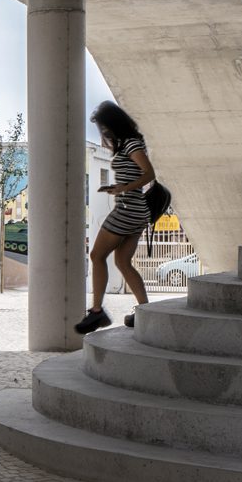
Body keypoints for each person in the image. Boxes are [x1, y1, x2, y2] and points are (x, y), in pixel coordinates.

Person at [75, 99, 155, 335]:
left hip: (128, 209)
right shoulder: (128, 144)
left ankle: (97, 312)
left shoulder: (131, 144)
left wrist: (123, 188)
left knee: (96, 255)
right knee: (122, 261)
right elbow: (135, 174)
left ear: (112, 124)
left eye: (102, 127)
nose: (102, 132)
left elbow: (149, 172)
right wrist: (116, 187)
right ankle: (145, 312)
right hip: (137, 210)